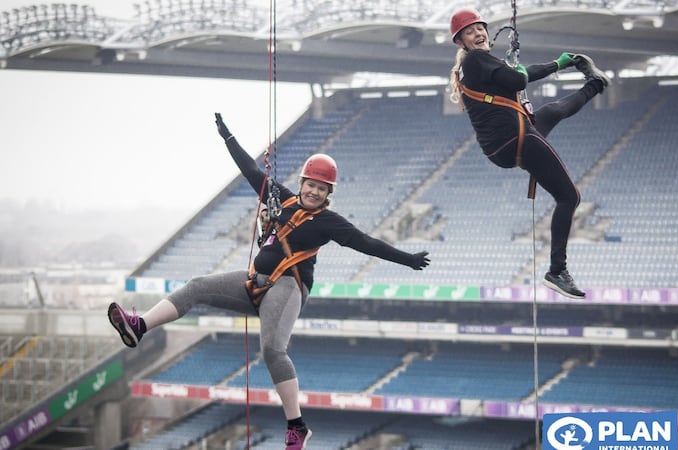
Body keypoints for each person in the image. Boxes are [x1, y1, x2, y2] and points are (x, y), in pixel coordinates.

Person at [107, 113, 430, 450]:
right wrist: (228, 138)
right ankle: (139, 325)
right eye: (311, 185)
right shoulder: (284, 199)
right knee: (198, 285)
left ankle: (297, 426)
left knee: (272, 350)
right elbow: (251, 171)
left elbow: (367, 243)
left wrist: (406, 260)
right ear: (302, 183)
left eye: (322, 188)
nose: (315, 191)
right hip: (256, 282)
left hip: (288, 287)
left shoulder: (329, 223)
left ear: (328, 193)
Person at [448, 7, 610, 299]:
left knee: (551, 111)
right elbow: (519, 81)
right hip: (513, 139)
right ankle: (557, 271)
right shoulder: (476, 59)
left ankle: (595, 85)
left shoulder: (480, 64)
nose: (478, 33)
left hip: (506, 143)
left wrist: (558, 64)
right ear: (461, 41)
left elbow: (521, 75)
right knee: (569, 196)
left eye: (480, 28)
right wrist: (520, 70)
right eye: (470, 31)